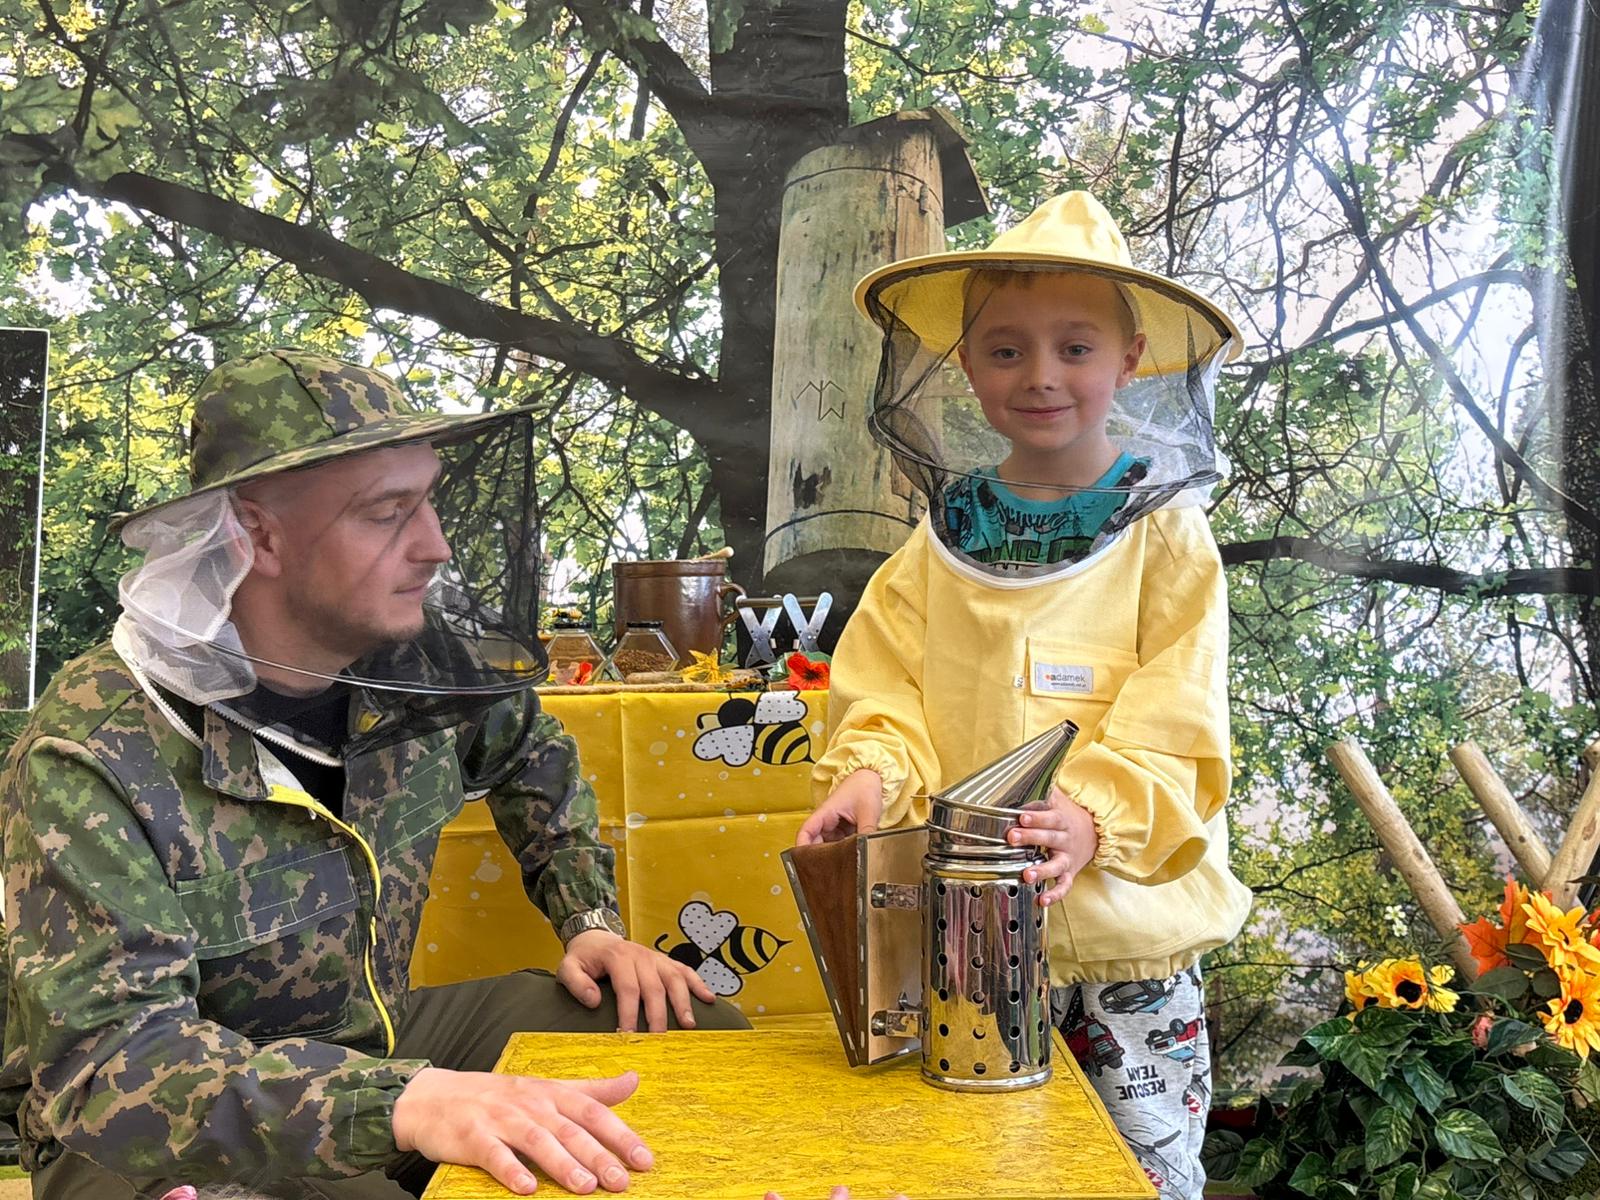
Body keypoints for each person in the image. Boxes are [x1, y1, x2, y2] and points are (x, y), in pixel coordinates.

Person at [0, 350, 746, 1200]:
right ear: (258, 536)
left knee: (689, 1030)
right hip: (154, 1130)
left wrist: (591, 922)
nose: (435, 546)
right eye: (389, 513)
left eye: (427, 499)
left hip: (383, 1047)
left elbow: (532, 753)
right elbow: (112, 1063)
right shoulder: (93, 751)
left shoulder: (414, 664)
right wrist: (402, 1104)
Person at [798, 192, 1254, 1200]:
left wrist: (1094, 814)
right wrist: (869, 778)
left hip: (1124, 954)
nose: (1040, 375)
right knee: (976, 1169)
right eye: (1005, 350)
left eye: (1074, 348)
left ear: (1130, 360)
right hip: (965, 946)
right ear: (965, 364)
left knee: (1139, 1175)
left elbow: (1178, 711)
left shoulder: (1167, 536)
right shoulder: (939, 540)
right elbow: (887, 685)